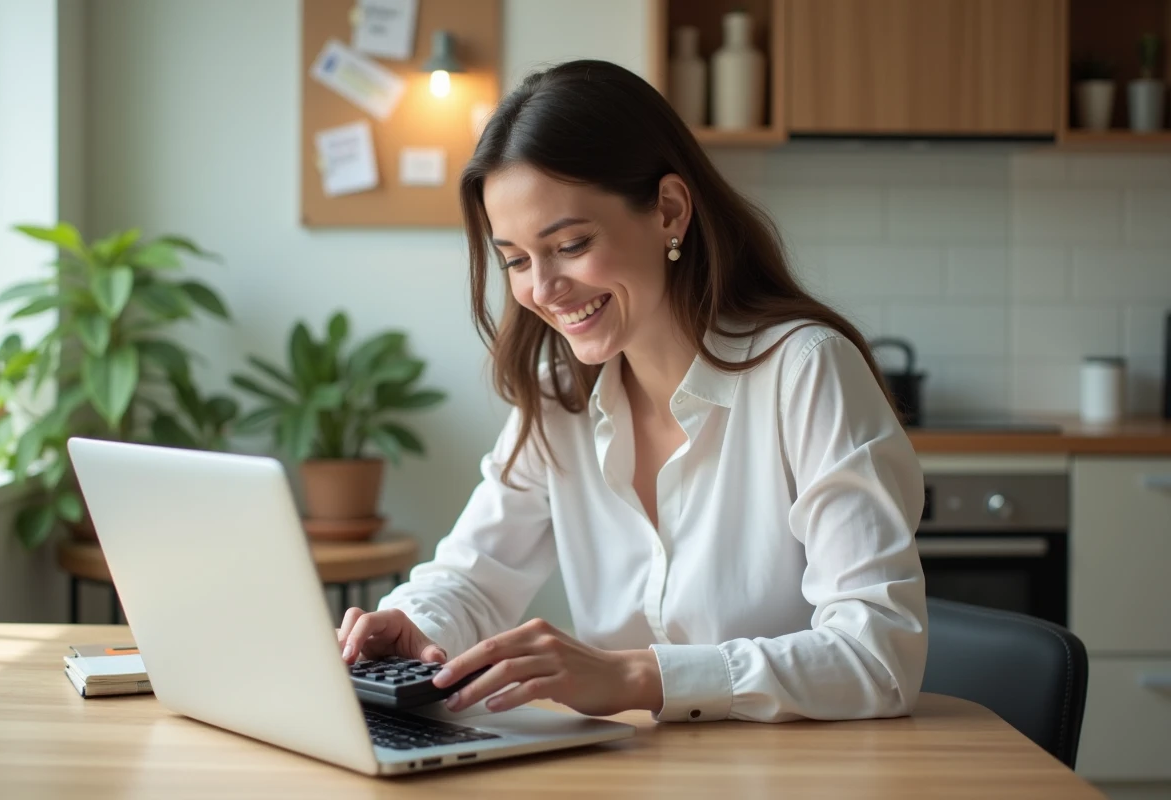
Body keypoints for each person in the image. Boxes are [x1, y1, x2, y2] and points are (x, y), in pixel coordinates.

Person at [336, 60, 927, 724]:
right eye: (517, 261)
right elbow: (475, 574)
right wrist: (409, 621)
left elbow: (879, 658)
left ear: (670, 211)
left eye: (571, 244)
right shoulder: (559, 395)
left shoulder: (806, 370)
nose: (543, 289)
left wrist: (638, 676)